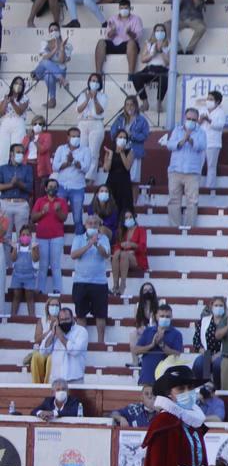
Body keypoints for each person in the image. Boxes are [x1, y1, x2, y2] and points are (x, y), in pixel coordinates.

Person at [70, 213, 111, 345]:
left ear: (99, 226)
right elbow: (74, 255)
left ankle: (100, 343)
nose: (93, 225)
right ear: (85, 225)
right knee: (81, 315)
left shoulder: (104, 238)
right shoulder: (78, 238)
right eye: (90, 223)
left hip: (99, 282)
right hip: (80, 281)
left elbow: (106, 254)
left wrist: (97, 243)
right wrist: (89, 244)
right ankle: (82, 342)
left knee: (100, 315)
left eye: (95, 223)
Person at [163, 108, 205, 229]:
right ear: (184, 118)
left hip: (192, 172)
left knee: (192, 202)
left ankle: (190, 228)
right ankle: (174, 227)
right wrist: (183, 140)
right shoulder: (177, 130)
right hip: (175, 170)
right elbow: (170, 145)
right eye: (188, 118)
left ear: (197, 120)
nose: (191, 121)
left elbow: (201, 146)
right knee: (173, 200)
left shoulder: (201, 132)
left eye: (193, 119)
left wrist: (190, 139)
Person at [52, 127, 94, 237]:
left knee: (77, 217)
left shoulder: (86, 150)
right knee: (58, 215)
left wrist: (74, 161)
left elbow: (86, 168)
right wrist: (67, 162)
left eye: (78, 136)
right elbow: (55, 167)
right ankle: (57, 237)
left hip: (78, 188)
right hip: (61, 186)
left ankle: (79, 241)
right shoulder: (61, 149)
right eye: (73, 136)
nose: (76, 138)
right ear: (68, 137)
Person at [95, 0, 143, 77]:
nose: (123, 10)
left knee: (131, 43)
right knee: (101, 42)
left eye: (126, 8)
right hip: (114, 44)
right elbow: (107, 36)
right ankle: (98, 73)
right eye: (122, 8)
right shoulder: (112, 19)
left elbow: (138, 36)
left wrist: (129, 32)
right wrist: (113, 31)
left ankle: (131, 74)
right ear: (119, 8)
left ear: (130, 9)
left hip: (128, 45)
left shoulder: (136, 19)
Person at [107, 96, 150, 183]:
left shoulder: (141, 120)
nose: (129, 107)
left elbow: (145, 136)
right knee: (121, 178)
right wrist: (119, 136)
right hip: (121, 152)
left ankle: (134, 197)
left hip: (135, 152)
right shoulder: (120, 119)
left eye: (131, 105)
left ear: (136, 106)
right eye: (127, 105)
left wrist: (132, 135)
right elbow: (112, 132)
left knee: (134, 180)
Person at [0, 143, 34, 242]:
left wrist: (18, 183)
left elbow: (29, 187)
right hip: (6, 203)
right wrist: (11, 184)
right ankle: (7, 258)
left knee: (23, 236)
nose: (21, 154)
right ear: (11, 154)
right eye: (18, 152)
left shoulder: (27, 168)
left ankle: (22, 257)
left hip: (22, 204)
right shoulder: (3, 168)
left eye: (22, 153)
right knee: (5, 236)